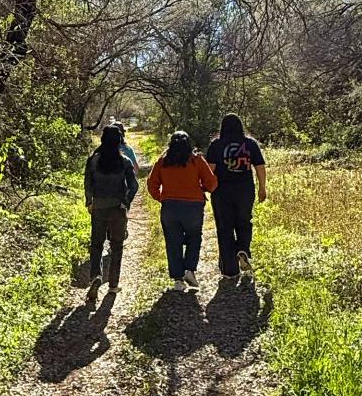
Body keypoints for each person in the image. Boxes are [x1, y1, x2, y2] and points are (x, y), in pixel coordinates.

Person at [146, 130, 217, 290]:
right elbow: (212, 183)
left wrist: (161, 197)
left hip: (170, 207)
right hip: (193, 207)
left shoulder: (162, 162)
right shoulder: (196, 160)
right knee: (194, 237)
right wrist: (201, 188)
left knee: (173, 242)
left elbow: (151, 184)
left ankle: (178, 280)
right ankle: (190, 269)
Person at [206, 113, 267, 279]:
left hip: (222, 192)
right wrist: (262, 187)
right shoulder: (250, 144)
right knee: (244, 221)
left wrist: (205, 187)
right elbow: (259, 167)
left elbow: (210, 170)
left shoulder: (216, 144)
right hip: (245, 191)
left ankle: (230, 269)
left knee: (225, 228)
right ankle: (243, 249)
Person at [84, 125, 138, 301]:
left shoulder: (93, 160)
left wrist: (90, 201)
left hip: (98, 208)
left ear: (102, 140)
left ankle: (95, 277)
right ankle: (113, 285)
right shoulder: (124, 162)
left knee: (96, 245)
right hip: (117, 210)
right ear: (119, 141)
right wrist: (125, 202)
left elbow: (88, 182)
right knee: (116, 247)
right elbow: (134, 185)